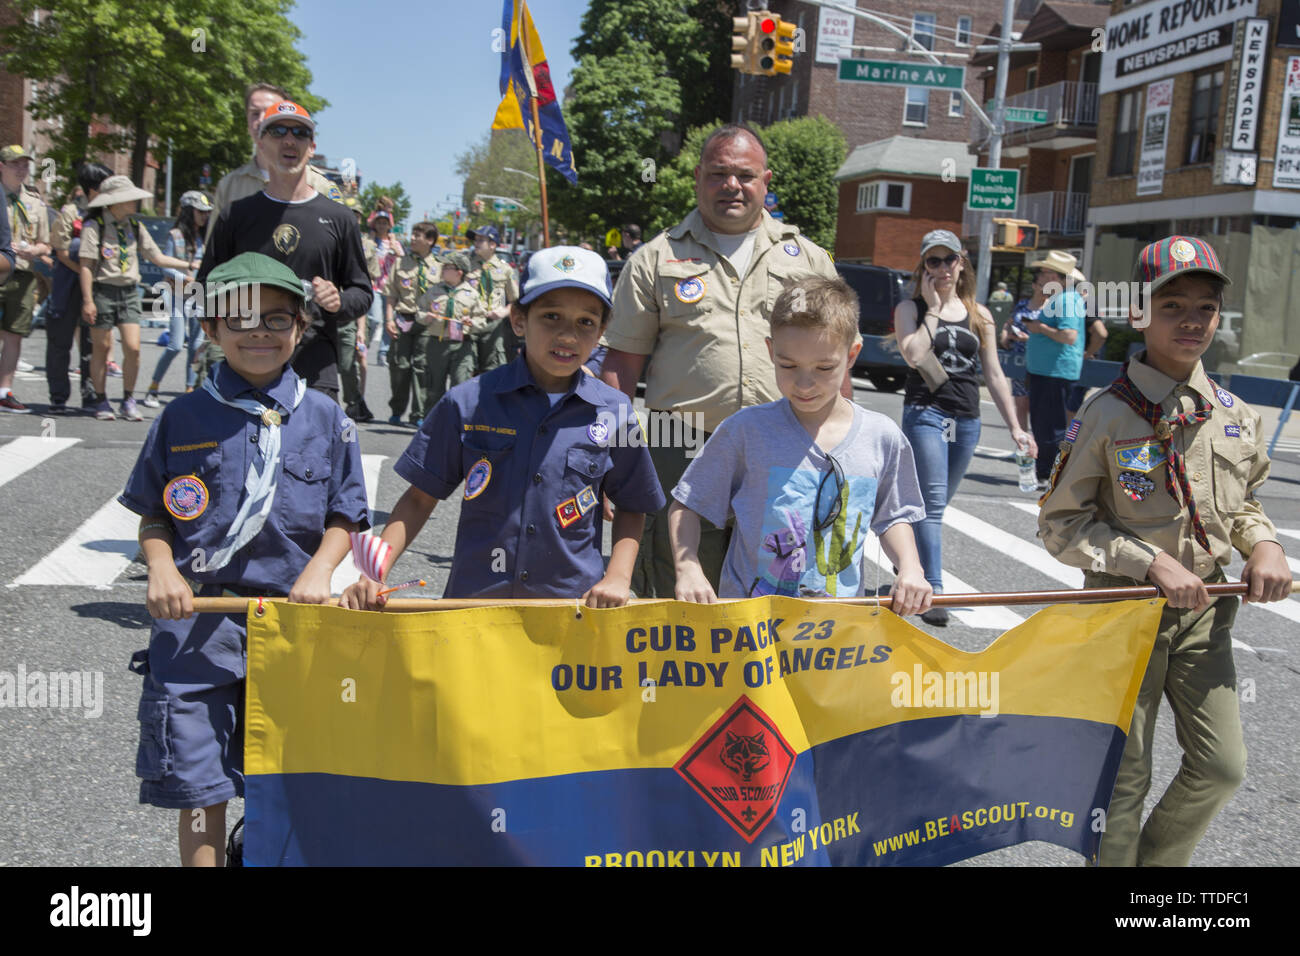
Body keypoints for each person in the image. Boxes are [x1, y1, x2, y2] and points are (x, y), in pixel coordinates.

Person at [1038, 235, 1291, 867]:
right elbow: (1060, 525)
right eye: (1173, 304)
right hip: (1123, 614)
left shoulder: (1235, 414)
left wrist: (1263, 545)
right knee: (1125, 777)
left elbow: (1246, 504)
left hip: (1206, 616)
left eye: (1204, 307)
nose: (1191, 320)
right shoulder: (1105, 415)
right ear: (1139, 314)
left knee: (1223, 767)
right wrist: (1146, 560)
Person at [121, 252, 368, 866]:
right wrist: (161, 567)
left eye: (277, 318)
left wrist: (319, 571)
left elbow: (347, 514)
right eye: (240, 319)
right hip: (197, 627)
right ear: (210, 329)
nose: (259, 331)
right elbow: (153, 511)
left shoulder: (325, 416)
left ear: (300, 329)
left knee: (286, 775)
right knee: (199, 786)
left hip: (292, 625)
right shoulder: (182, 417)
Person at [341, 246, 665, 610]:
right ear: (518, 320)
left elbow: (633, 504)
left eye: (586, 322)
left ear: (603, 330)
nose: (568, 336)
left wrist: (617, 576)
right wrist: (373, 571)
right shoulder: (466, 402)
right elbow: (418, 498)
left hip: (571, 613)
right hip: (473, 608)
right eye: (551, 316)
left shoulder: (616, 412)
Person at [600, 122, 837, 599]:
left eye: (745, 175)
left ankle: (759, 676)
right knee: (678, 588)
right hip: (680, 445)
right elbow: (621, 367)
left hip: (786, 443)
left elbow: (835, 365)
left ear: (766, 181)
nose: (732, 185)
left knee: (779, 588)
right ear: (698, 177)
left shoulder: (809, 260)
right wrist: (609, 457)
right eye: (718, 173)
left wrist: (844, 455)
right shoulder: (655, 258)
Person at [670, 276, 932, 614]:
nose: (804, 383)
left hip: (836, 631)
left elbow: (893, 515)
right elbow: (688, 503)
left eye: (824, 367)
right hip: (749, 628)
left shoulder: (882, 436)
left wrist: (910, 568)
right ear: (770, 352)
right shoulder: (746, 430)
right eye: (788, 365)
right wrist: (687, 565)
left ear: (852, 355)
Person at [894, 230, 1036, 625]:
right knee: (934, 504)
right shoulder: (911, 308)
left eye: (948, 260)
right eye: (932, 262)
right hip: (927, 412)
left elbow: (994, 374)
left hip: (966, 419)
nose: (941, 268)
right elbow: (912, 354)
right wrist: (935, 308)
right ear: (923, 267)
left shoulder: (981, 314)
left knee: (934, 503)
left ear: (961, 263)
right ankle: (934, 592)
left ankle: (910, 565)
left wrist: (1016, 428)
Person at [199, 101, 372, 403]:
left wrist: (338, 300)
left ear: (312, 146)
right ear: (261, 142)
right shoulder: (236, 215)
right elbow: (203, 288)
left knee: (313, 450)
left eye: (300, 132)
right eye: (277, 131)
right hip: (248, 360)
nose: (289, 140)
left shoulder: (339, 218)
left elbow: (363, 292)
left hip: (315, 365)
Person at [79, 176, 200, 422]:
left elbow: (157, 257)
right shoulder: (95, 226)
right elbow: (86, 266)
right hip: (103, 290)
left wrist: (188, 264)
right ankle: (101, 400)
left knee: (133, 348)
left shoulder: (134, 227)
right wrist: (88, 299)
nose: (135, 202)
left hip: (129, 291)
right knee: (101, 348)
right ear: (115, 202)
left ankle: (128, 399)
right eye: (130, 198)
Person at [209, 82, 339, 235]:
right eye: (255, 113)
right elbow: (215, 251)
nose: (262, 119)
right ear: (247, 120)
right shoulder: (229, 186)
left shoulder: (320, 185)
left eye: (271, 112)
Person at [47, 163, 113, 413]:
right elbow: (61, 252)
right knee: (59, 342)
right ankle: (58, 396)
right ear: (93, 188)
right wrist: (85, 271)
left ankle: (90, 395)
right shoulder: (71, 212)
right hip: (67, 285)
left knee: (92, 343)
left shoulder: (108, 214)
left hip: (97, 289)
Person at [1022, 249, 1087, 488]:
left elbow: (1069, 335)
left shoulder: (1067, 299)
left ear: (1056, 277)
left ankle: (1050, 472)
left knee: (1050, 425)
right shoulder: (1064, 298)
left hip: (1054, 371)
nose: (1040, 276)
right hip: (1049, 370)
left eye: (1044, 272)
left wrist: (1039, 328)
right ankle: (1047, 471)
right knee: (1046, 423)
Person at [143, 191, 212, 406]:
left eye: (206, 213)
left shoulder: (203, 238)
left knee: (196, 345)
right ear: (189, 212)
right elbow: (167, 266)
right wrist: (188, 277)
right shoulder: (174, 235)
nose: (204, 216)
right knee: (174, 345)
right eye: (200, 212)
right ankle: (153, 388)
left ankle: (190, 390)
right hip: (176, 295)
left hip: (197, 296)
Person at [0, 146, 52, 413]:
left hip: (23, 275)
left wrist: (36, 250)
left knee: (14, 334)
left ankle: (4, 391)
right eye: (14, 164)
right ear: (1, 166)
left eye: (25, 165)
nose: (21, 169)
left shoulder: (35, 203)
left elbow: (46, 244)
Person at [383, 221, 441, 425]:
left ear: (430, 240)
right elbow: (391, 294)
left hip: (427, 323)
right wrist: (388, 319)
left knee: (422, 368)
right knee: (400, 366)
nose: (413, 238)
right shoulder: (401, 263)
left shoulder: (439, 267)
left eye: (419, 235)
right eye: (413, 234)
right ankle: (397, 409)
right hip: (403, 319)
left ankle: (419, 414)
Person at [466, 225, 520, 371]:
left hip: (493, 325)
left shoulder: (505, 269)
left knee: (492, 369)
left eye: (481, 240)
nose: (476, 243)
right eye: (475, 240)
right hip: (469, 323)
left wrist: (504, 312)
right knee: (467, 369)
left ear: (492, 245)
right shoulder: (466, 265)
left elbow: (516, 300)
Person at [434, 250, 489, 390]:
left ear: (459, 272)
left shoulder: (472, 294)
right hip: (438, 343)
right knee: (433, 389)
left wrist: (472, 322)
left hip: (463, 344)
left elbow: (481, 321)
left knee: (460, 386)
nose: (443, 270)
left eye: (447, 267)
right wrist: (426, 316)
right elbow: (420, 312)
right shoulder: (434, 290)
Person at [1066, 272, 1107, 419]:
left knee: (1072, 408)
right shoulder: (1083, 304)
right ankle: (1071, 438)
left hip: (1083, 361)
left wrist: (1088, 353)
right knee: (1072, 406)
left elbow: (1101, 333)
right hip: (1078, 360)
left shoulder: (1087, 304)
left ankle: (1071, 439)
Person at [999, 285, 1032, 434]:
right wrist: (1005, 333)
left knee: (1037, 406)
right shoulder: (1023, 305)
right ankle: (1023, 444)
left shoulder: (1053, 308)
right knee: (1020, 402)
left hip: (1040, 360)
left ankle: (1041, 446)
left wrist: (1029, 339)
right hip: (1018, 358)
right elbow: (1009, 321)